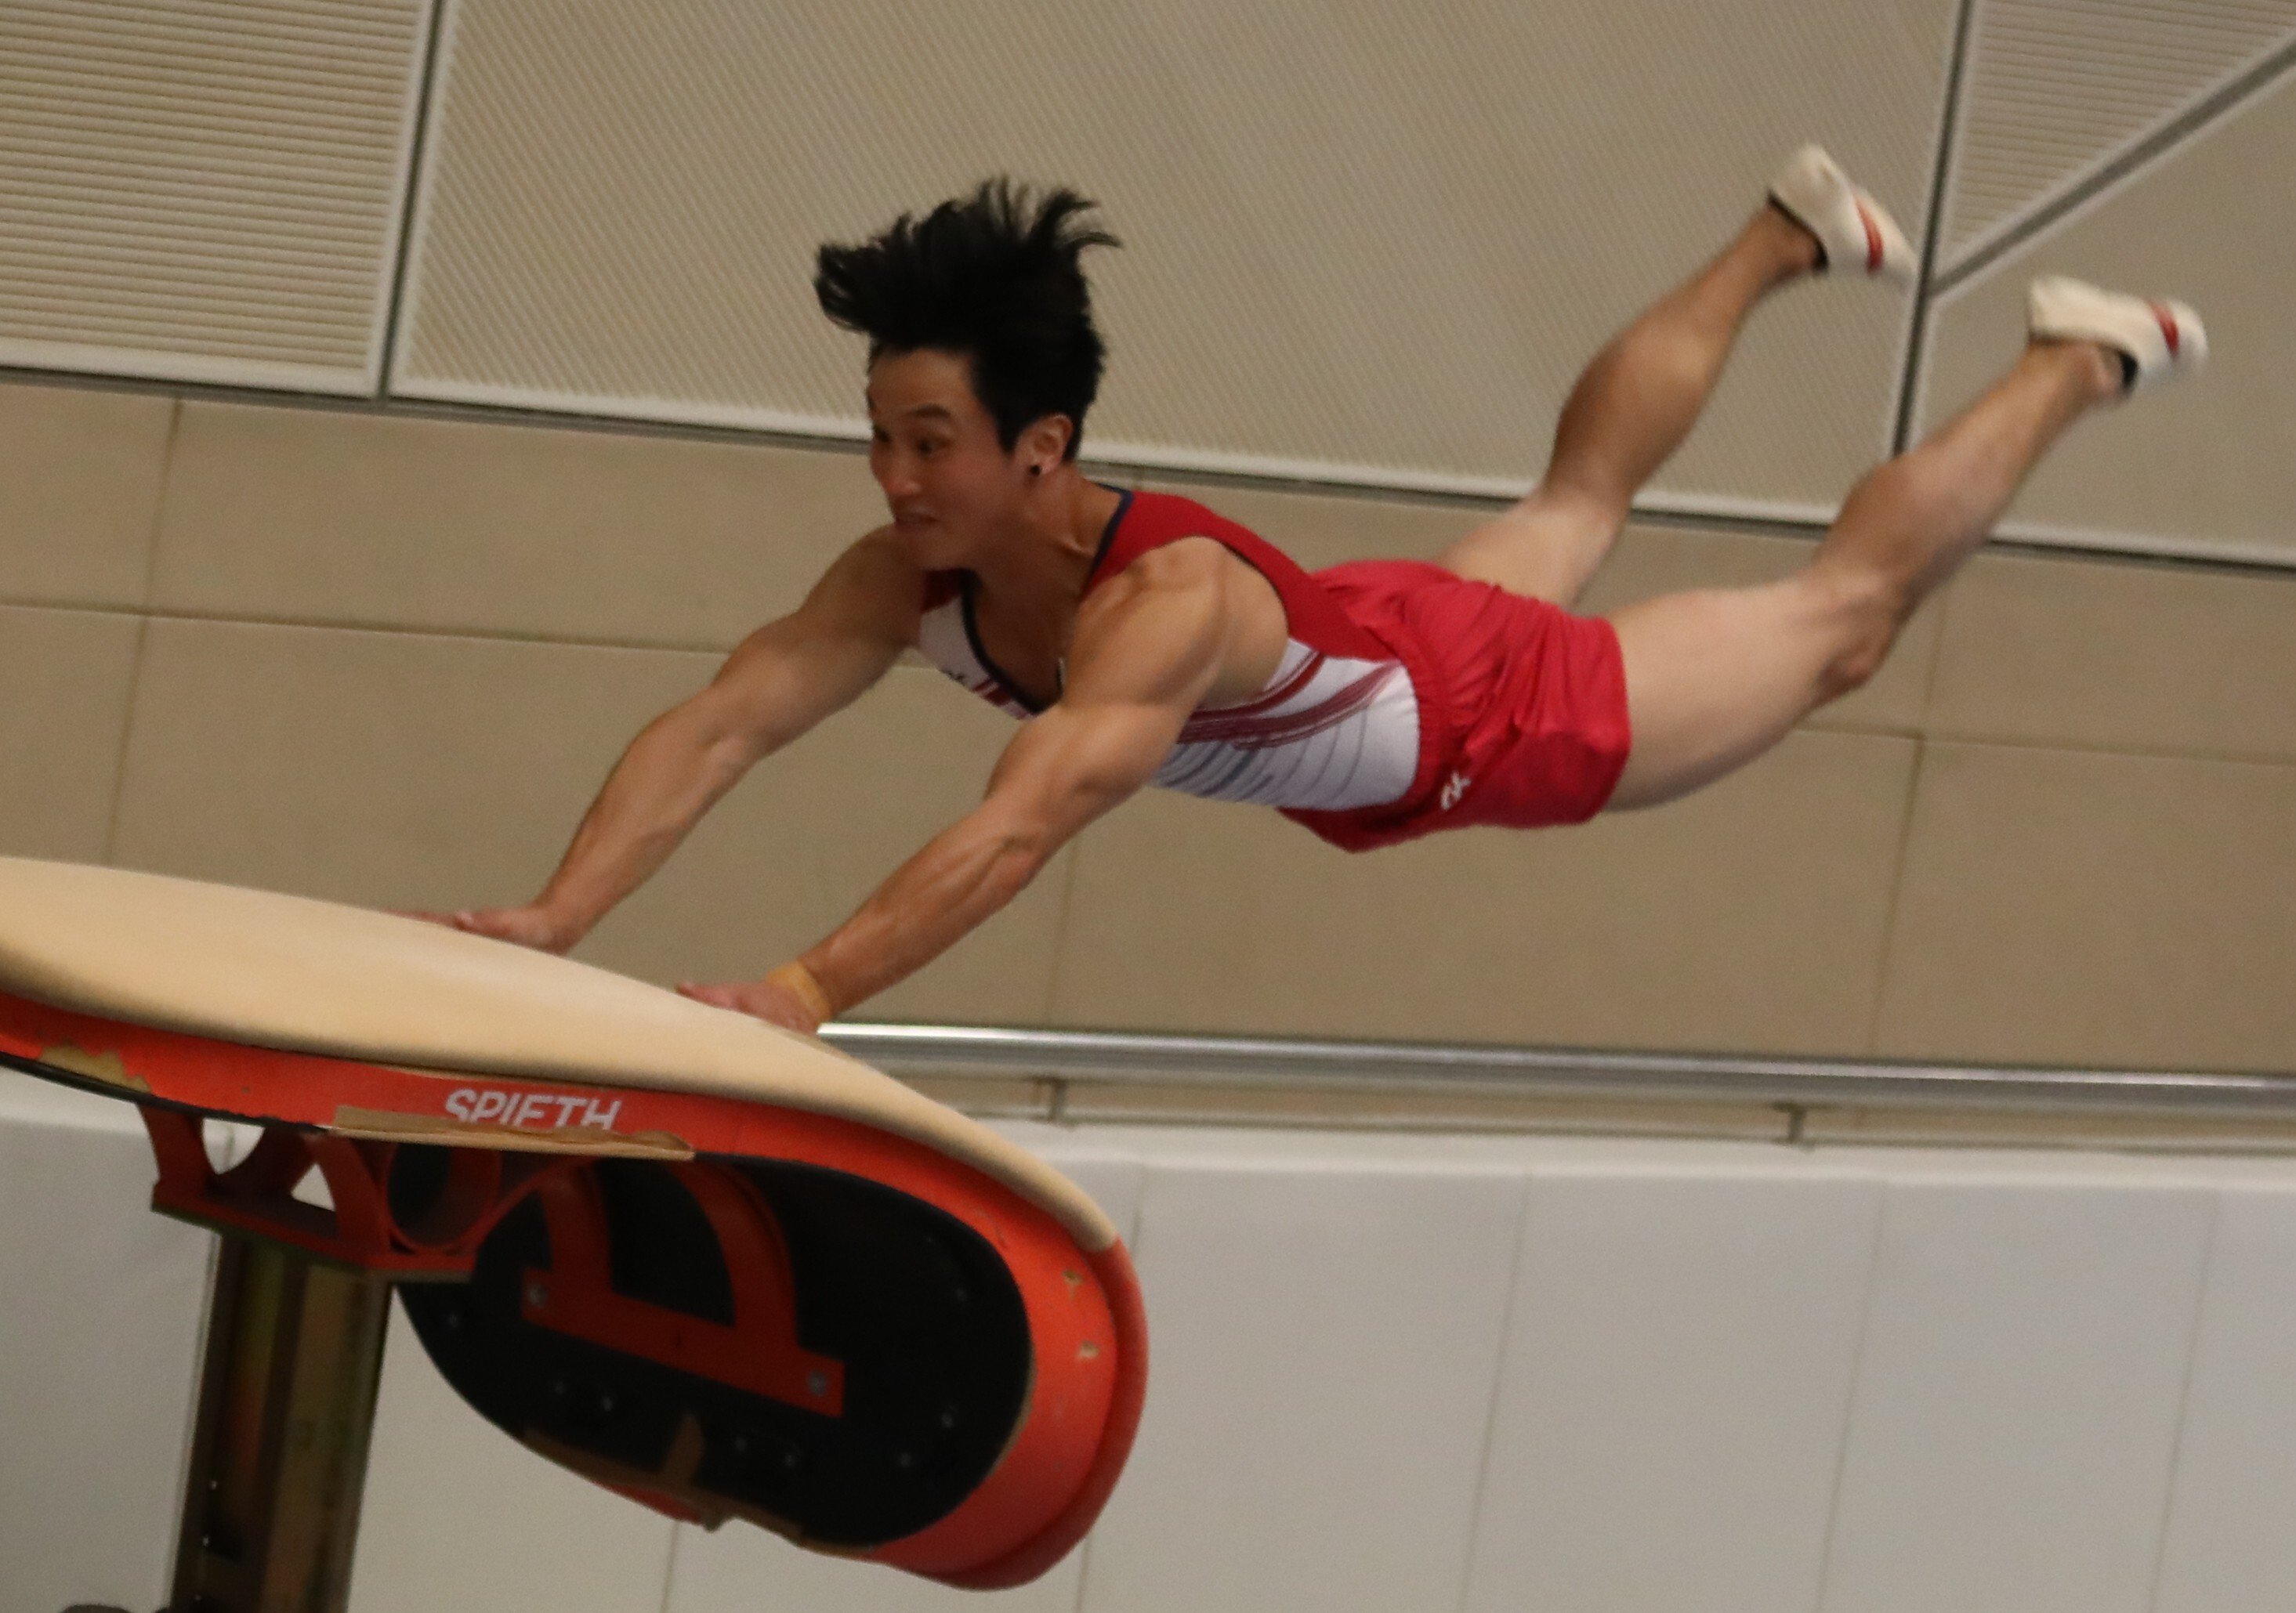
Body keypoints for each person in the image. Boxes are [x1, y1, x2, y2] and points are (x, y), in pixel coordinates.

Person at [437, 149, 2204, 1033]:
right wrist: (558, 911)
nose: (894, 483)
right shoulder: (910, 572)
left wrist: (806, 987)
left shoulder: (1165, 608)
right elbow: (725, 720)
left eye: (930, 445)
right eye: (879, 440)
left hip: (1485, 715)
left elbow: (1014, 832)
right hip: (1372, 643)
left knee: (1839, 624)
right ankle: (1782, 235)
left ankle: (2074, 360)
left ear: (1041, 445)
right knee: (1570, 500)